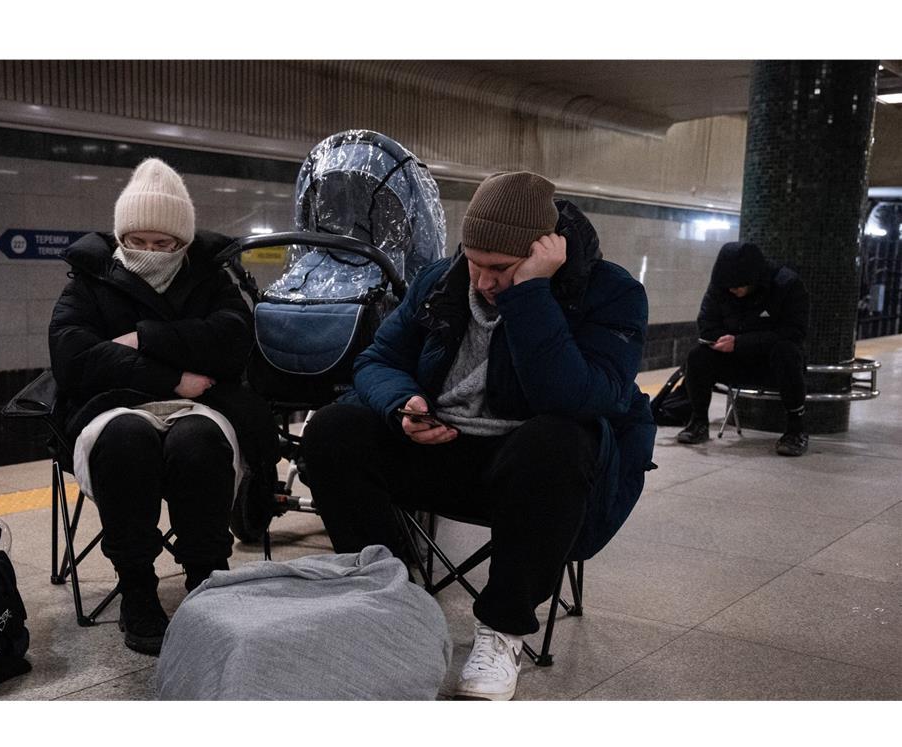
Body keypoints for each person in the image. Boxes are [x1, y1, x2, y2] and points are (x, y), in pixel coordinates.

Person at [302, 171, 656, 700]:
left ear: (545, 252)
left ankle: (503, 630)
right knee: (334, 428)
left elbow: (578, 399)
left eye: (501, 268)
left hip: (531, 477)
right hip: (440, 445)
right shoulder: (443, 279)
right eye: (474, 261)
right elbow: (378, 361)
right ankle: (389, 599)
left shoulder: (611, 295)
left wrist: (532, 293)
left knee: (559, 439)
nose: (484, 281)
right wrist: (404, 405)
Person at [48, 158, 276, 655]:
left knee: (198, 444)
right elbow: (72, 355)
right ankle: (137, 588)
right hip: (116, 407)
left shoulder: (210, 277)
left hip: (202, 408)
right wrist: (171, 375)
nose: (149, 253)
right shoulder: (89, 277)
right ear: (120, 236)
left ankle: (206, 583)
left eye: (164, 244)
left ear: (184, 244)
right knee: (125, 442)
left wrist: (143, 337)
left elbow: (234, 341)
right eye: (137, 241)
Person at [676, 241, 810, 456]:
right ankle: (699, 421)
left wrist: (740, 342)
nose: (733, 291)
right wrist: (720, 341)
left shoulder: (787, 285)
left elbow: (793, 332)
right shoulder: (721, 288)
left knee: (787, 352)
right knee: (698, 356)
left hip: (772, 363)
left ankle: (796, 429)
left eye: (739, 287)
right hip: (734, 360)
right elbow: (707, 324)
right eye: (729, 288)